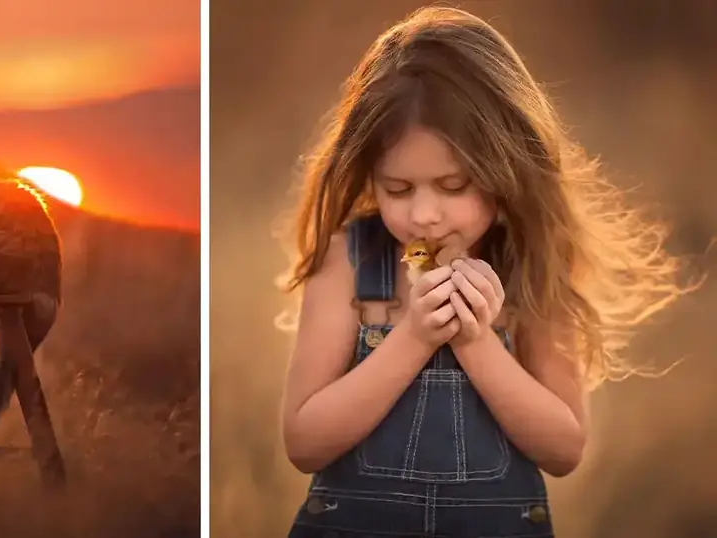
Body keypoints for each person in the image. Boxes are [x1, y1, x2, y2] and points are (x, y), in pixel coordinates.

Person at [278, 7, 695, 537]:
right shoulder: (348, 263)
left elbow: (564, 449)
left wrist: (476, 342)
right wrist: (413, 337)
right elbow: (304, 443)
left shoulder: (532, 265)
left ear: (506, 177)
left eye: (453, 187)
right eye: (398, 189)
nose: (424, 214)